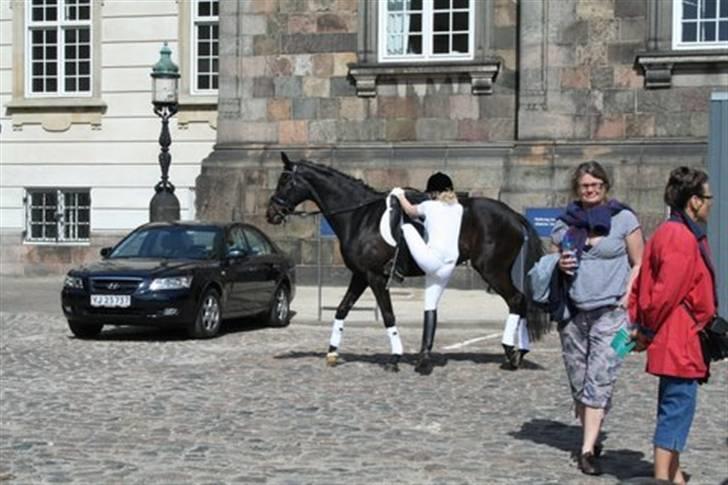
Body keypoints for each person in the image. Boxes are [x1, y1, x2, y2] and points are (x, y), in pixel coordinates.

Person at [550, 160, 644, 476]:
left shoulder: (624, 219)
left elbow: (639, 262)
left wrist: (628, 296)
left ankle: (587, 449)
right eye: (585, 186)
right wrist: (560, 264)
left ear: (605, 187)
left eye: (596, 185)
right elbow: (557, 256)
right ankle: (594, 423)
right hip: (573, 315)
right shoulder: (565, 224)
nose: (590, 190)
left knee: (601, 378)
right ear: (577, 189)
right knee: (580, 383)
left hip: (615, 316)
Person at [628, 167, 716, 485]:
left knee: (675, 407)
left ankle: (674, 475)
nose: (712, 203)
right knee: (676, 411)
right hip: (679, 339)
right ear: (693, 201)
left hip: (678, 337)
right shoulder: (679, 236)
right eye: (708, 197)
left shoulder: (671, 231)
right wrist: (647, 330)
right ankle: (662, 478)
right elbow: (665, 293)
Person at [392, 172, 463, 373]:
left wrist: (399, 195)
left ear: (433, 192)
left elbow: (410, 211)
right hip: (449, 266)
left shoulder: (429, 206)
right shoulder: (458, 208)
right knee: (430, 305)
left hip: (432, 261)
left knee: (405, 226)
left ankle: (397, 267)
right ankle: (425, 353)